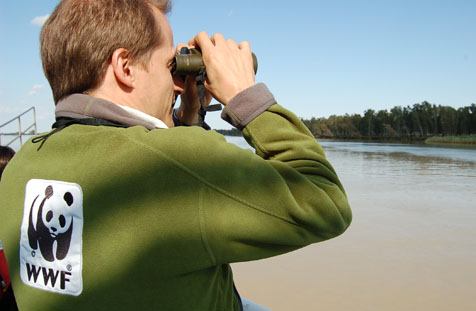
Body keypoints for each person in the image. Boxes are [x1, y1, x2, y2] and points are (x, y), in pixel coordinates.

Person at [0, 0, 352, 310]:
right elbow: (325, 203)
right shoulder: (171, 165)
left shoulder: (20, 166)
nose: (175, 82)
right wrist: (246, 95)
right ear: (125, 66)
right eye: (171, 65)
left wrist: (188, 116)